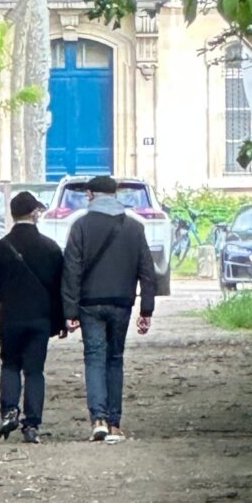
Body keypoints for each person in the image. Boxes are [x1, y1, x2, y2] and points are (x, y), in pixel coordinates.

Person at [61, 175, 156, 442]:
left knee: (94, 358)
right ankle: (115, 423)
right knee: (115, 359)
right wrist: (146, 309)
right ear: (115, 195)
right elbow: (147, 271)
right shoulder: (134, 228)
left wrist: (69, 311)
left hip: (90, 304)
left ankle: (98, 420)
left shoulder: (80, 226)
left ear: (91, 195)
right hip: (121, 302)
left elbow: (71, 269)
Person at [0, 190, 65, 445]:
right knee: (35, 371)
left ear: (13, 215)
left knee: (10, 365)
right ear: (35, 213)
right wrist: (62, 321)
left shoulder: (1, 248)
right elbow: (60, 288)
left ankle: (9, 411)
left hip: (10, 318)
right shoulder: (50, 248)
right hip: (40, 320)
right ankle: (32, 425)